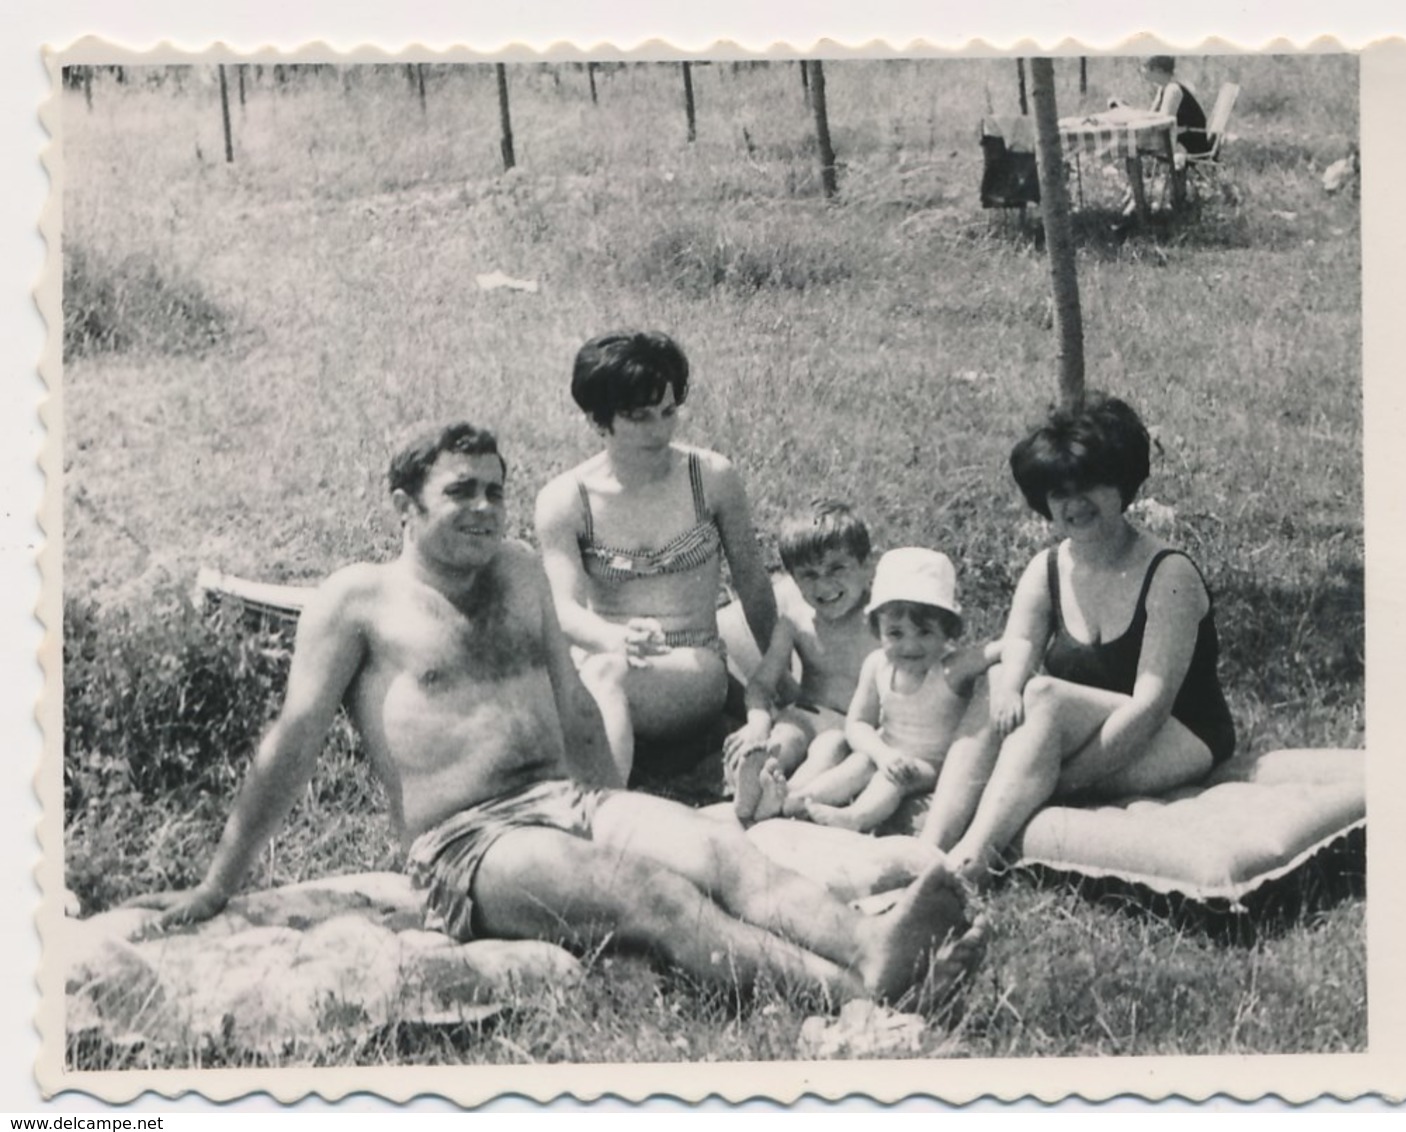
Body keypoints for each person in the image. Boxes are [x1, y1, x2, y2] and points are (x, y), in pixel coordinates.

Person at [138, 422, 986, 1007]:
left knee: (719, 850)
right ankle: (856, 993)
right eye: (459, 491)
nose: (482, 508)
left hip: (567, 800)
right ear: (404, 503)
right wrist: (221, 882)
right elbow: (291, 744)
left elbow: (575, 703)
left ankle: (872, 945)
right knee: (650, 895)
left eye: (495, 492)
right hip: (468, 845)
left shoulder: (515, 571)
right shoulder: (357, 602)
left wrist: (615, 808)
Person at [921, 395, 1236, 883]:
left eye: (1089, 485)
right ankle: (927, 848)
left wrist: (1058, 782)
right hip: (1094, 726)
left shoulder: (1170, 574)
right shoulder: (1046, 568)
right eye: (1057, 492)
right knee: (1001, 681)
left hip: (1180, 732)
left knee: (1044, 695)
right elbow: (1018, 649)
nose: (1073, 504)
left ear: (1122, 485)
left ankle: (972, 861)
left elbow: (1150, 708)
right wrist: (1007, 693)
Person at [534, 332, 778, 786]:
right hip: (602, 651)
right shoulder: (567, 499)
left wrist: (776, 678)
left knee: (603, 675)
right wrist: (612, 637)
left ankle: (603, 811)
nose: (660, 430)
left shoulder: (711, 477)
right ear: (597, 420)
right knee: (587, 670)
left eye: (668, 412)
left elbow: (753, 583)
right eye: (639, 417)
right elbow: (563, 610)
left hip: (692, 662)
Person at [777, 548, 1001, 833]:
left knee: (893, 779)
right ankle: (797, 801)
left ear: (948, 631)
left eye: (925, 632)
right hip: (888, 749)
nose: (910, 646)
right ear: (876, 629)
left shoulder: (951, 668)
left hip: (931, 763)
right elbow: (857, 724)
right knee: (857, 765)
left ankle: (855, 819)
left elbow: (1008, 647)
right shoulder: (877, 665)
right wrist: (881, 753)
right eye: (895, 634)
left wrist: (1009, 687)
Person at [723, 501, 878, 823]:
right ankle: (755, 781)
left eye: (837, 569)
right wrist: (757, 723)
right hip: (807, 712)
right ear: (792, 579)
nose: (823, 585)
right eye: (809, 575)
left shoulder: (881, 620)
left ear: (867, 565)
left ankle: (787, 796)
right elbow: (762, 684)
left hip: (854, 727)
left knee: (831, 746)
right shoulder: (796, 621)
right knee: (781, 739)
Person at [1110, 55, 1212, 159]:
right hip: (1179, 136)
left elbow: (1164, 121)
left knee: (1134, 143)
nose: (1142, 70)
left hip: (1190, 144)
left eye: (1145, 66)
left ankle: (1133, 172)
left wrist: (1134, 114)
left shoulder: (1173, 89)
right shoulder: (1164, 87)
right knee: (1132, 140)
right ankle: (1134, 171)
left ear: (1158, 70)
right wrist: (1129, 111)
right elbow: (1152, 114)